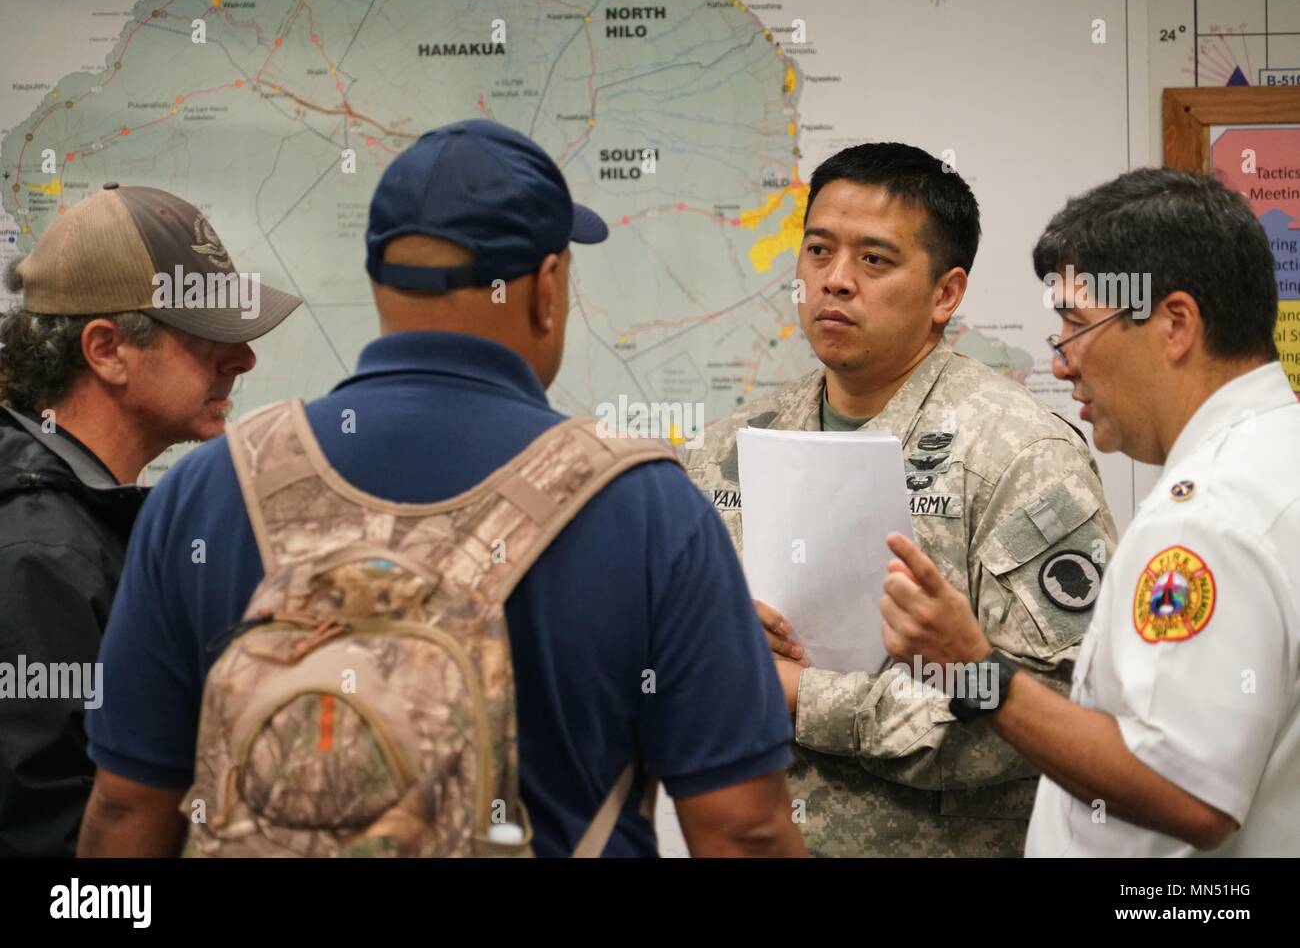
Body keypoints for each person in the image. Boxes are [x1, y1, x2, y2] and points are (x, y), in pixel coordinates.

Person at [77, 120, 806, 858]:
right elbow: (743, 828)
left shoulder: (206, 490)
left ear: (377, 277)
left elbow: (126, 809)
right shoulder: (647, 509)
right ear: (547, 287)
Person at [685, 142, 1117, 856]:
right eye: (818, 251)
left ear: (946, 293)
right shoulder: (728, 446)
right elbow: (666, 672)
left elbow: (1056, 714)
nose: (836, 281)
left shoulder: (1019, 454)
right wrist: (720, 654)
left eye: (874, 260)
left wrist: (798, 693)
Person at [880, 167, 1300, 856]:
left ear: (1175, 324)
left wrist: (972, 670)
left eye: (1077, 323)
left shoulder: (1208, 514)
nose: (1064, 359)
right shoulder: (1277, 453)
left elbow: (1190, 793)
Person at [0, 183, 300, 855]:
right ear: (106, 350)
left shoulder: (75, 513)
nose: (244, 357)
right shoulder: (41, 555)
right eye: (206, 334)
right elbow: (49, 843)